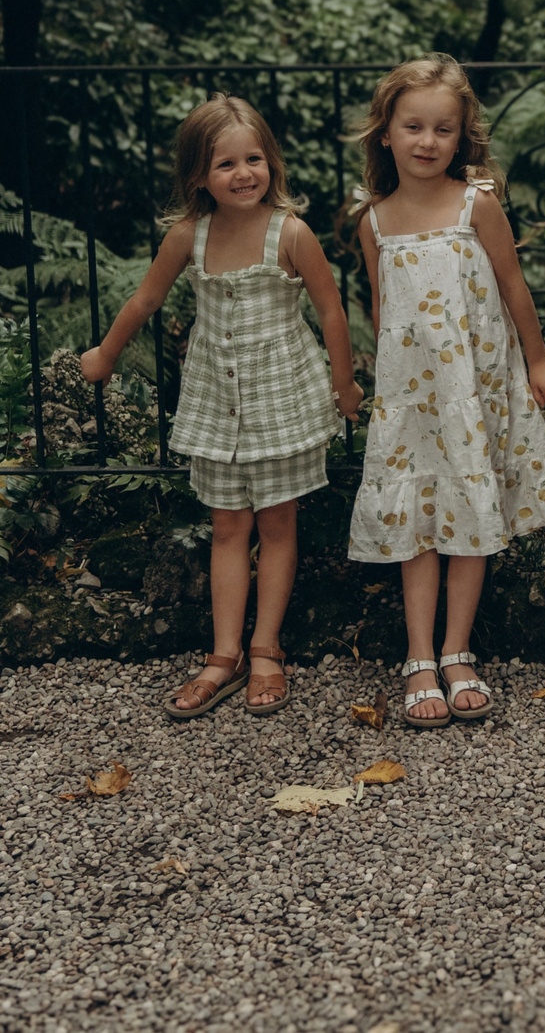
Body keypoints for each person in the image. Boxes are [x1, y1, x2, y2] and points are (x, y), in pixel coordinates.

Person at [81, 94, 364, 720]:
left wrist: (344, 388)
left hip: (282, 402)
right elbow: (146, 301)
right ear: (198, 177)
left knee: (278, 525)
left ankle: (267, 650)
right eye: (226, 164)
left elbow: (331, 311)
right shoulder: (189, 235)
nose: (243, 175)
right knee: (229, 528)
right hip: (217, 403)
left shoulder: (290, 233)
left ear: (272, 163)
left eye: (254, 159)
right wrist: (105, 353)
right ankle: (224, 653)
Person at [341, 56, 545, 727]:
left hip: (472, 388)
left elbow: (512, 286)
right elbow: (386, 313)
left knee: (470, 506)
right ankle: (418, 653)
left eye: (443, 128)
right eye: (412, 125)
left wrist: (537, 359)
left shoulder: (479, 204)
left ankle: (457, 649)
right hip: (412, 398)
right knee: (417, 513)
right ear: (385, 132)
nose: (427, 140)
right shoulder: (375, 221)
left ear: (461, 135)